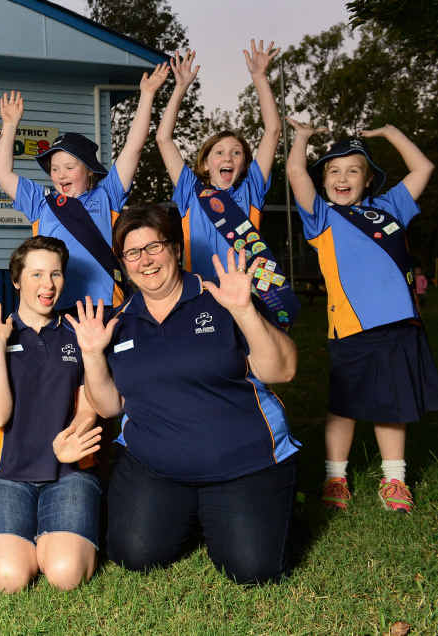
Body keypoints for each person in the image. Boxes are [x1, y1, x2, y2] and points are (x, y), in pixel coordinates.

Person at [79, 205, 299, 584]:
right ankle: (195, 513)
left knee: (252, 570)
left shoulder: (221, 297)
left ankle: (262, 511)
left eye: (154, 247)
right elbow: (109, 405)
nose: (145, 261)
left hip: (242, 462)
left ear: (176, 250)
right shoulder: (119, 320)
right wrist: (93, 355)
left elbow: (283, 370)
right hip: (155, 465)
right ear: (123, 263)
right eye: (132, 253)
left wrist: (245, 310)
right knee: (135, 554)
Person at [286, 121, 437, 512]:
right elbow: (295, 172)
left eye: (354, 170)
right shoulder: (320, 217)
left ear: (368, 180)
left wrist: (391, 133)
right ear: (324, 183)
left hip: (400, 326)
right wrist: (302, 138)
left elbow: (423, 169)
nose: (342, 177)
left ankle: (395, 480)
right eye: (334, 171)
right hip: (351, 328)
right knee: (344, 405)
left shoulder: (389, 208)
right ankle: (336, 477)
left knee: (394, 403)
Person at [0, 236, 106, 593]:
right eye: (36, 275)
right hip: (8, 473)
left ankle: (51, 539)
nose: (47, 285)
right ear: (16, 280)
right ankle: (27, 539)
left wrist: (74, 435)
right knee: (9, 578)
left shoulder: (78, 332)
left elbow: (90, 403)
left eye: (56, 274)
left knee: (65, 574)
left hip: (69, 471)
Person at [0, 62, 168, 311]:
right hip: (55, 305)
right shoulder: (41, 203)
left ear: (89, 171)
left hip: (105, 305)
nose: (60, 174)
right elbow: (2, 173)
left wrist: (147, 95)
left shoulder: (107, 195)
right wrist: (9, 126)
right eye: (54, 168)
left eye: (70, 167)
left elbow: (133, 147)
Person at [156, 43, 298, 329]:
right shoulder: (190, 192)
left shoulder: (251, 191)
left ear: (244, 165)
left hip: (248, 294)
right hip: (199, 294)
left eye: (236, 153)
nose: (228, 157)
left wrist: (260, 77)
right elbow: (163, 139)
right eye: (219, 152)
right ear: (205, 163)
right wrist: (180, 87)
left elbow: (272, 132)